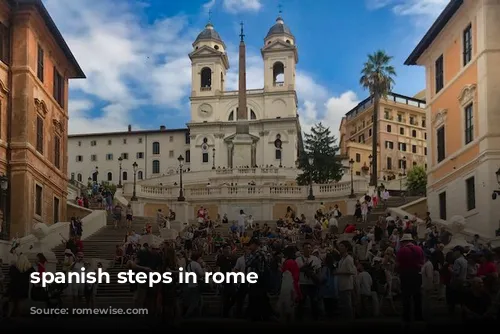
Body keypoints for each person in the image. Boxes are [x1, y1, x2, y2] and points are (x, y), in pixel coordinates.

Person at [396, 233, 424, 327]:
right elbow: (422, 262)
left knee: (406, 296)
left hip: (405, 274)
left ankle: (407, 316)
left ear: (404, 242)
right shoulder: (419, 249)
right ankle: (418, 315)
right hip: (416, 274)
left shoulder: (401, 250)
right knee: (417, 296)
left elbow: (398, 264)